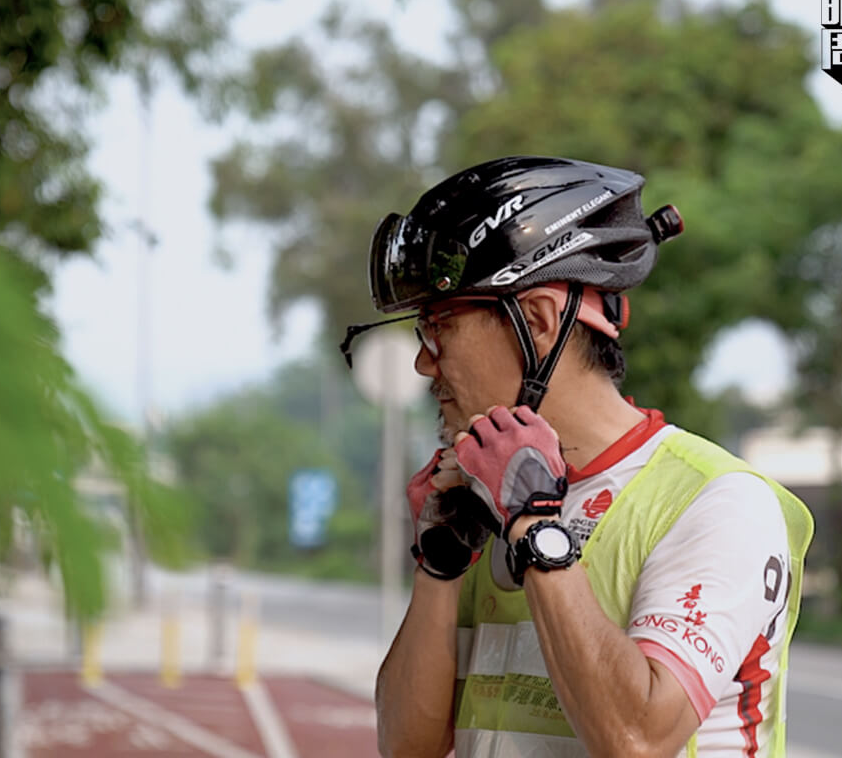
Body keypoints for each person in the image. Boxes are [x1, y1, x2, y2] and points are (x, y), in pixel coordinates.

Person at [341, 156, 814, 758]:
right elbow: (408, 746)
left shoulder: (716, 501)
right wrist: (440, 561)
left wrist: (536, 526)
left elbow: (637, 737)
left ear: (537, 321)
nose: (423, 363)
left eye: (441, 326)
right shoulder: (484, 498)